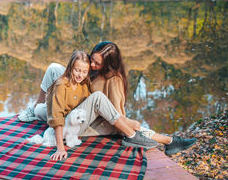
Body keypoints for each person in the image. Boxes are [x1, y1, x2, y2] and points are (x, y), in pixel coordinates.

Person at [19, 42, 196, 157]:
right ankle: (33, 109)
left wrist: (128, 123)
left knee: (130, 125)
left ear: (108, 64)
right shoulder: (89, 70)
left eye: (97, 63)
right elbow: (75, 81)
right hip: (75, 111)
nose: (92, 65)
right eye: (91, 59)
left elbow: (116, 115)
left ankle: (168, 141)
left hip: (94, 120)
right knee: (51, 74)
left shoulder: (114, 80)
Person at [30, 50, 159, 161]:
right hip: (66, 128)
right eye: (77, 70)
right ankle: (132, 136)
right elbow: (57, 118)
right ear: (70, 68)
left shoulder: (83, 83)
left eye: (84, 71)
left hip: (77, 123)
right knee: (98, 97)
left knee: (113, 127)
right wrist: (60, 148)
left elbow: (88, 106)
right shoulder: (61, 84)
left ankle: (141, 135)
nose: (80, 74)